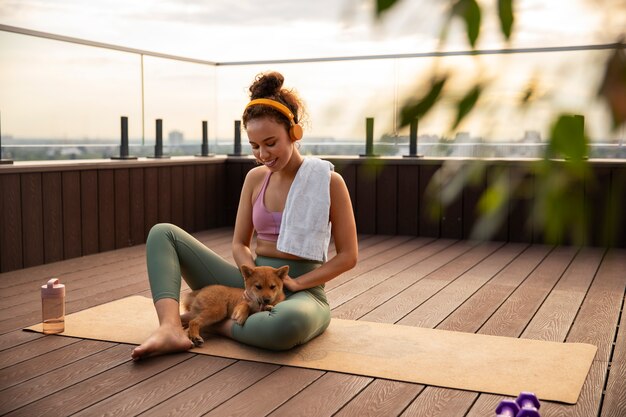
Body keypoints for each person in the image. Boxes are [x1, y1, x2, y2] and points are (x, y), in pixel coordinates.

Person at [131, 71, 358, 360]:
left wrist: (299, 284)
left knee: (284, 326)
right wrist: (249, 278)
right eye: (254, 146)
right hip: (249, 281)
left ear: (294, 132)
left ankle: (213, 323)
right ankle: (170, 327)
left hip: (302, 292)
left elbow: (348, 256)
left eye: (271, 143)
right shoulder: (254, 179)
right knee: (163, 233)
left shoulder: (328, 182)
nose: (262, 154)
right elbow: (239, 243)